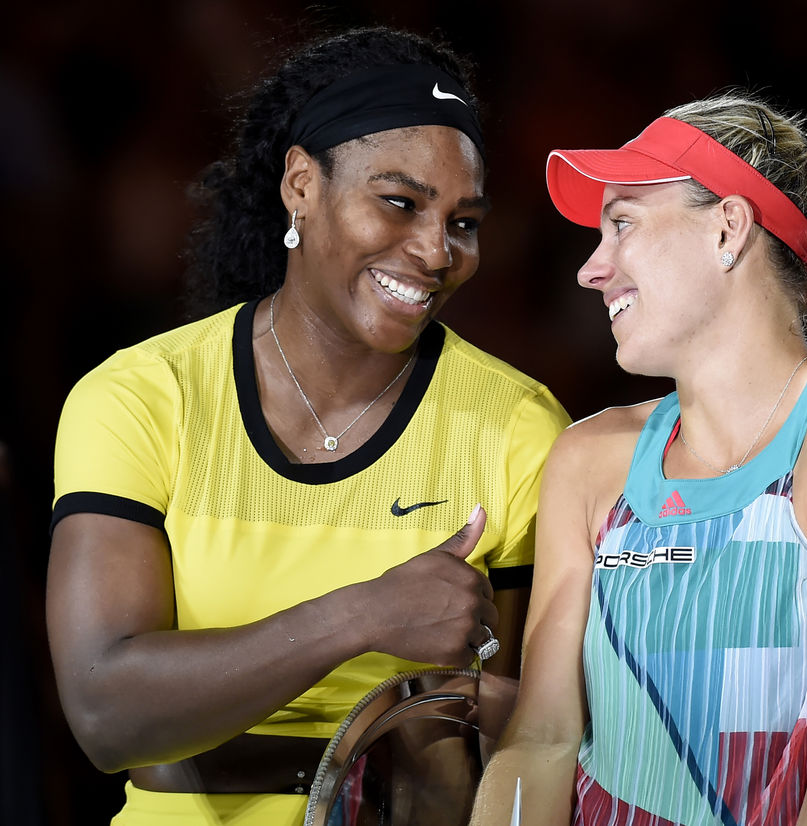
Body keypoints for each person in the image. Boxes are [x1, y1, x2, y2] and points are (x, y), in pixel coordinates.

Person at [46, 26, 569, 825]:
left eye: (462, 222)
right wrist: (362, 616)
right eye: (400, 203)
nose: (436, 251)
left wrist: (480, 719)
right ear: (301, 186)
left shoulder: (519, 428)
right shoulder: (142, 398)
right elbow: (105, 713)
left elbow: (536, 737)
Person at [470, 94, 807, 826]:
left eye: (622, 225)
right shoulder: (588, 458)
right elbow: (541, 741)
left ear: (728, 227)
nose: (591, 270)